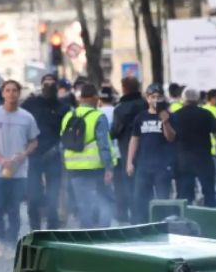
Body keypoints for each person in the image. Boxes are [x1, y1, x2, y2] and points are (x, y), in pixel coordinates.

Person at [0, 80, 39, 254]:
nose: (11, 93)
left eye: (15, 90)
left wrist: (23, 154)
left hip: (19, 172)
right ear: (2, 93)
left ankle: (12, 242)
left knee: (14, 209)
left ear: (19, 93)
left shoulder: (27, 117)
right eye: (8, 90)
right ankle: (1, 240)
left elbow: (34, 141)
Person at [62, 84, 114, 228]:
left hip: (74, 167)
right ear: (94, 98)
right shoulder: (98, 116)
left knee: (83, 204)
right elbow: (103, 144)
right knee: (105, 200)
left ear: (80, 99)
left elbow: (63, 141)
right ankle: (104, 235)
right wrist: (108, 168)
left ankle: (86, 237)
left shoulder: (68, 116)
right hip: (96, 167)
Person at [22, 76, 69, 230]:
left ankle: (52, 228)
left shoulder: (63, 107)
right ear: (41, 86)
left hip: (54, 154)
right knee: (33, 195)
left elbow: (68, 132)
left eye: (52, 83)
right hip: (33, 154)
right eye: (46, 83)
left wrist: (58, 147)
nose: (49, 86)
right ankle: (35, 229)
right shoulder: (30, 104)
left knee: (53, 195)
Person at [127, 84, 177, 224]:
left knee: (162, 200)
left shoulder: (169, 116)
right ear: (147, 99)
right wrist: (129, 161)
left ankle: (161, 225)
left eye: (158, 97)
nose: (155, 100)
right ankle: (139, 226)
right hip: (143, 166)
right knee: (139, 199)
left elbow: (171, 137)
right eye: (152, 97)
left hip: (162, 166)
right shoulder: (141, 117)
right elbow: (134, 139)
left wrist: (165, 121)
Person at [111, 77, 148, 223]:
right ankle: (146, 217)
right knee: (145, 188)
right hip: (147, 152)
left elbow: (114, 132)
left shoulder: (120, 109)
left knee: (130, 187)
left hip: (127, 154)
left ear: (124, 88)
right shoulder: (145, 105)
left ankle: (134, 219)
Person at [174, 88, 216, 207]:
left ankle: (185, 220)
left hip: (183, 159)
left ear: (183, 99)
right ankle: (211, 217)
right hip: (204, 158)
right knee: (209, 192)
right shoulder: (206, 114)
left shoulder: (176, 115)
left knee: (184, 195)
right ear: (198, 99)